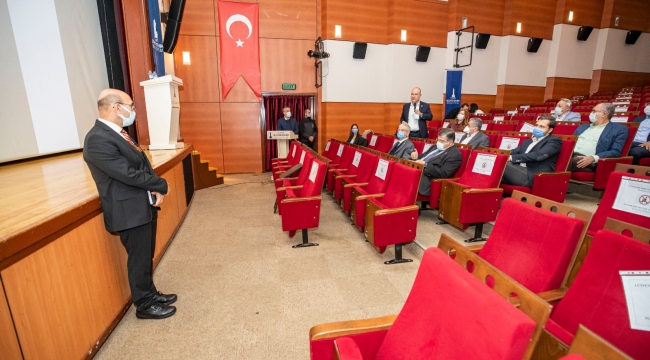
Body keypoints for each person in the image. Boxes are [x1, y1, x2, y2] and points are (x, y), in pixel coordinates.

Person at [83, 89, 177, 320]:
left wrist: (152, 187)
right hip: (128, 211)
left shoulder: (119, 133)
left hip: (141, 204)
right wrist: (161, 184)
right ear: (116, 107)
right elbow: (128, 174)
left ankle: (150, 294)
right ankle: (144, 305)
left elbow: (141, 165)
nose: (133, 111)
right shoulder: (98, 138)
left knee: (145, 256)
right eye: (131, 106)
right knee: (139, 258)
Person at [501, 116, 562, 187]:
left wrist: (511, 158)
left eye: (542, 127)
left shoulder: (554, 141)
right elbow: (514, 151)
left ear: (550, 130)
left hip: (532, 175)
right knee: (493, 169)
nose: (537, 128)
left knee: (503, 164)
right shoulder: (528, 141)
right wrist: (499, 154)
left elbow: (539, 155)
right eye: (537, 125)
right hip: (518, 170)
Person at [570, 103, 628, 172]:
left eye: (594, 111)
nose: (591, 113)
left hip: (588, 160)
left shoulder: (619, 129)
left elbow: (615, 151)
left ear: (604, 114)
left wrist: (593, 158)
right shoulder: (582, 127)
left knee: (564, 160)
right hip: (571, 154)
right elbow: (571, 142)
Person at [411, 128, 462, 196]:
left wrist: (425, 165)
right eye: (438, 139)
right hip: (417, 171)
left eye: (442, 141)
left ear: (450, 142)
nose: (438, 142)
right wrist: (416, 156)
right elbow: (423, 157)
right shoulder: (435, 147)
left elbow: (443, 173)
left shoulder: (455, 154)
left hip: (428, 179)